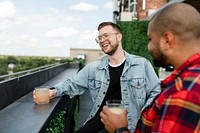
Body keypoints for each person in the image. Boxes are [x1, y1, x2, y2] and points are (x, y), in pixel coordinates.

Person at [33, 22, 161, 133]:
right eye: (99, 38)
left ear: (119, 36)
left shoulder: (141, 64)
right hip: (100, 120)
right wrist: (53, 91)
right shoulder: (93, 68)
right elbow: (73, 83)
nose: (102, 40)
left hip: (130, 124)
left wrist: (144, 114)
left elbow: (156, 92)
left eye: (106, 35)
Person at [100, 3, 200, 133]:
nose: (148, 47)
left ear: (167, 40)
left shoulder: (183, 92)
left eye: (150, 39)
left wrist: (119, 128)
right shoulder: (189, 78)